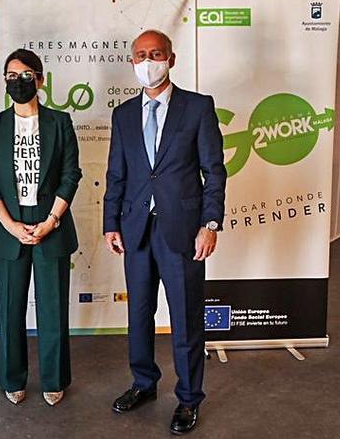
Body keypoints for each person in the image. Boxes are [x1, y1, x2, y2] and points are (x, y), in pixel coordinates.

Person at [103, 30, 226, 435]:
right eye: (140, 55)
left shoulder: (197, 107)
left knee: (186, 318)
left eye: (155, 53)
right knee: (139, 314)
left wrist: (210, 224)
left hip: (184, 232)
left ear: (171, 59)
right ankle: (144, 383)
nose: (147, 61)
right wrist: (111, 224)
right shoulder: (122, 115)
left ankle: (189, 399)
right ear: (132, 62)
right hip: (136, 229)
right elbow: (116, 173)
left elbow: (214, 171)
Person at [0, 48, 82, 407]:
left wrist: (51, 221)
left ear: (39, 79)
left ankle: (54, 378)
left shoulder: (59, 122)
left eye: (24, 75)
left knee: (53, 310)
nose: (17, 82)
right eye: (10, 75)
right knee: (10, 310)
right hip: (9, 227)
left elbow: (71, 175)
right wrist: (9, 224)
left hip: (51, 222)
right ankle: (12, 377)